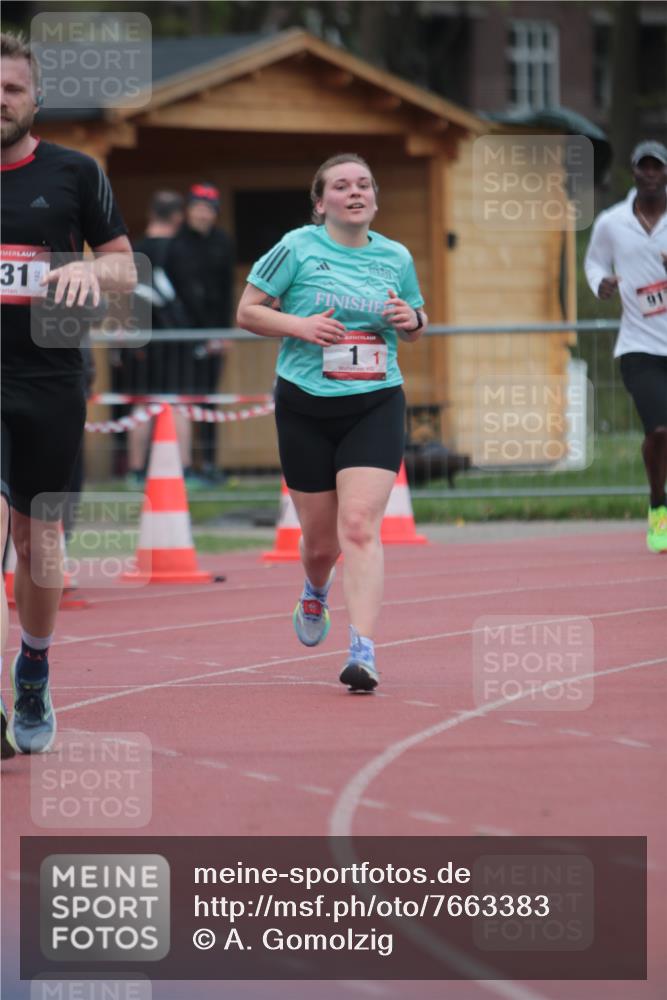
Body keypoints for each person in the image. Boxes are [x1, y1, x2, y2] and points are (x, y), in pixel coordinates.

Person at [237, 153, 427, 692]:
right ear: (321, 204)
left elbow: (415, 321)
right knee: (321, 544)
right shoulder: (296, 247)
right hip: (306, 403)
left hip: (375, 400)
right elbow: (248, 311)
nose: (355, 192)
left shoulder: (395, 256)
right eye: (341, 186)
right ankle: (314, 589)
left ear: (374, 198)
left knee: (361, 527)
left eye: (365, 184)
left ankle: (363, 652)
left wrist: (411, 320)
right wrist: (300, 326)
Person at [1, 31, 136, 754]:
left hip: (50, 376)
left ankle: (34, 665)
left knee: (38, 538)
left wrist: (91, 273)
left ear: (35, 99)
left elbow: (125, 267)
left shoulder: (77, 173)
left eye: (11, 90)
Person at [584, 140, 667, 554]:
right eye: (643, 167)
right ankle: (658, 506)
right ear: (633, 172)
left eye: (657, 167)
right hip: (639, 344)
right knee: (658, 430)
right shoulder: (611, 222)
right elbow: (594, 262)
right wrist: (601, 283)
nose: (650, 174)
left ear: (665, 173)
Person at [165, 183, 235, 483]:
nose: (203, 214)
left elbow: (227, 290)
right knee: (185, 398)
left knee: (210, 400)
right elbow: (175, 293)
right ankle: (183, 466)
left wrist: (226, 333)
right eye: (197, 208)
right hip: (183, 335)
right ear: (187, 211)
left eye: (208, 209)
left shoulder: (224, 242)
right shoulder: (176, 243)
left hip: (216, 332)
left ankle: (208, 463)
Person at [128, 190, 191, 484]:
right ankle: (184, 470)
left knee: (141, 402)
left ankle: (136, 471)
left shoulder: (133, 250)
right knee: (178, 402)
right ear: (178, 216)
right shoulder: (181, 251)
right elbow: (190, 298)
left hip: (140, 338)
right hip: (175, 338)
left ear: (152, 214)